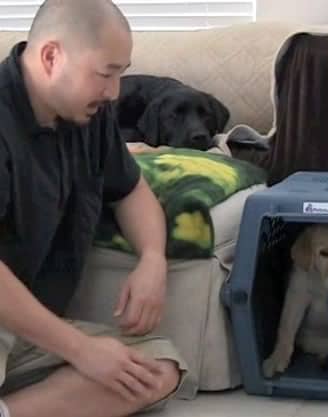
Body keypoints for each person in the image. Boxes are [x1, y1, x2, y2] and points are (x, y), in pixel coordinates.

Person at [0, 1, 188, 416]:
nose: (115, 92)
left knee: (157, 368)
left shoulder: (89, 115)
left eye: (120, 73)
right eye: (106, 73)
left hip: (29, 328)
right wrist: (80, 350)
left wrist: (153, 259)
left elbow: (131, 190)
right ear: (52, 57)